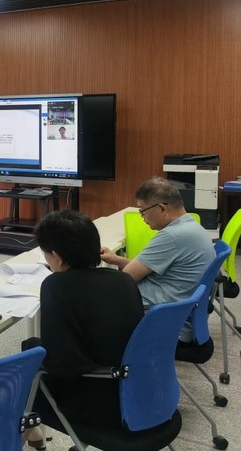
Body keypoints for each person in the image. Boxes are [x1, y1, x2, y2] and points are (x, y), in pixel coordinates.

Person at [23, 210, 144, 446]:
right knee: (32, 350)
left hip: (99, 402)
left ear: (57, 257)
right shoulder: (122, 280)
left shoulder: (55, 286)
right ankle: (32, 430)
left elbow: (60, 364)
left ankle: (24, 429)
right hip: (138, 389)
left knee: (28, 360)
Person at [100, 177, 213, 340]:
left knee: (93, 298)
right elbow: (145, 267)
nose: (142, 217)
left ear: (161, 208)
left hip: (162, 321)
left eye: (142, 211)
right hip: (175, 311)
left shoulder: (172, 236)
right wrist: (116, 259)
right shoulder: (191, 226)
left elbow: (126, 279)